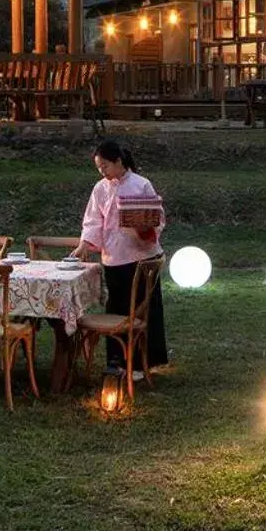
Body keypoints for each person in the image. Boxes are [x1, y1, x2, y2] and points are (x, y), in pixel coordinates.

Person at [74, 139, 169, 375]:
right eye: (99, 167)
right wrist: (85, 243)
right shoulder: (100, 188)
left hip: (141, 257)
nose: (102, 171)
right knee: (116, 309)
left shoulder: (141, 184)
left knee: (141, 309)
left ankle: (142, 362)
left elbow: (157, 216)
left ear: (118, 161)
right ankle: (117, 360)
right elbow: (94, 219)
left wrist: (144, 228)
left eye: (105, 166)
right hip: (114, 257)